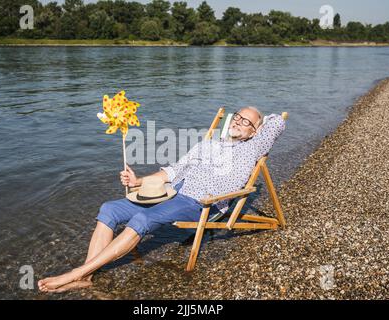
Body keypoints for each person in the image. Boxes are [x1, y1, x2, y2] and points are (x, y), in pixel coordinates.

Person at [38, 107, 285, 293]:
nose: (238, 122)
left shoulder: (252, 147)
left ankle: (77, 272)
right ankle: (87, 277)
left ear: (255, 131)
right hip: (172, 193)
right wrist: (139, 182)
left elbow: (277, 122)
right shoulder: (207, 144)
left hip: (200, 203)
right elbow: (174, 171)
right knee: (110, 209)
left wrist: (260, 127)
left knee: (142, 217)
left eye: (246, 122)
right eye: (237, 117)